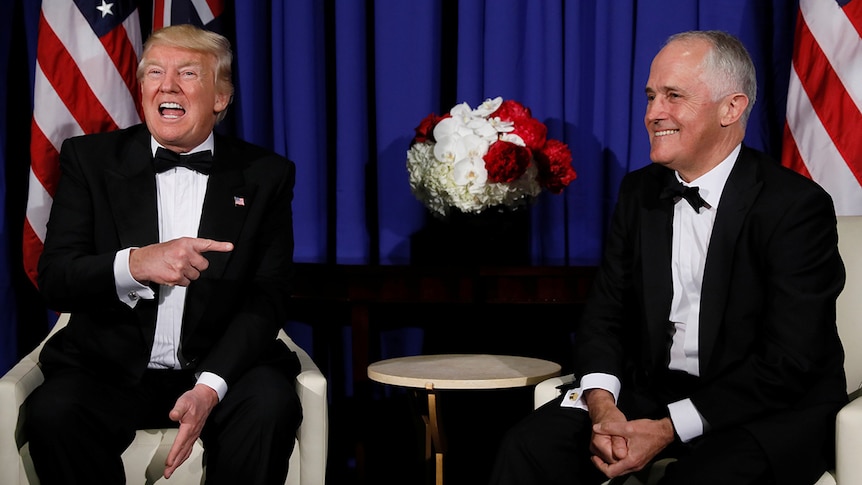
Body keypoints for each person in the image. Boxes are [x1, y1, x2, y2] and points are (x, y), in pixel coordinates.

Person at [489, 30, 847, 485]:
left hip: (764, 406)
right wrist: (604, 408)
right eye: (651, 96)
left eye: (673, 96)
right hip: (656, 390)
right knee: (529, 448)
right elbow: (606, 315)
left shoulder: (796, 206)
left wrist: (666, 429)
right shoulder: (640, 192)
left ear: (731, 108)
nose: (654, 113)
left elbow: (790, 362)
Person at [25, 24, 302, 485]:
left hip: (219, 366)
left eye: (188, 73)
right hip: (108, 368)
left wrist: (210, 388)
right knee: (55, 413)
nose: (167, 85)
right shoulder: (90, 160)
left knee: (270, 405)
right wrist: (135, 264)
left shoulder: (265, 175)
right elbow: (55, 277)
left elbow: (267, 296)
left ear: (221, 97)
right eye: (155, 71)